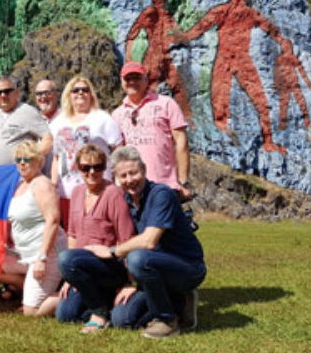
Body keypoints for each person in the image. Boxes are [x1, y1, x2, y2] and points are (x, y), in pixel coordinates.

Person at [87, 146, 206, 339]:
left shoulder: (161, 194)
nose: (129, 180)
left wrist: (113, 251)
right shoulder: (125, 199)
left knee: (138, 258)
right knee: (122, 319)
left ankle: (166, 320)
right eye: (123, 176)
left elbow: (149, 240)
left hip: (186, 267)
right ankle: (179, 301)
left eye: (133, 173)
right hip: (152, 268)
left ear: (143, 169)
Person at [180, 0, 287, 153]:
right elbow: (201, 27)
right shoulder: (221, 11)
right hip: (224, 57)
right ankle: (220, 124)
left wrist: (283, 42)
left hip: (243, 59)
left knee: (260, 98)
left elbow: (271, 29)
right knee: (219, 93)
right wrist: (183, 37)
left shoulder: (251, 14)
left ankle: (268, 139)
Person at [55, 144, 135, 332]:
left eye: (98, 167)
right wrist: (69, 276)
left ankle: (99, 312)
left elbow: (126, 238)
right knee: (66, 316)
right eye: (86, 168)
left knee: (65, 259)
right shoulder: (76, 193)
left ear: (104, 168)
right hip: (80, 266)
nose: (92, 172)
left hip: (108, 265)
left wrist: (129, 282)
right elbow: (72, 234)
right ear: (77, 168)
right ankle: (105, 302)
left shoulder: (113, 193)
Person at [0, 141, 67, 316]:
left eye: (27, 159)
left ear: (39, 162)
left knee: (31, 312)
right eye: (19, 159)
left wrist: (41, 258)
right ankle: (29, 288)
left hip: (46, 254)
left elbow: (53, 220)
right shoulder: (19, 186)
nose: (22, 163)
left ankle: (75, 294)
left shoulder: (42, 185)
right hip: (24, 254)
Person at [111, 61, 192, 201]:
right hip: (132, 187)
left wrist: (183, 181)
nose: (132, 82)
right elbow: (118, 154)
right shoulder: (116, 114)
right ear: (122, 82)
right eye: (127, 79)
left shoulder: (166, 104)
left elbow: (181, 142)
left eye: (136, 78)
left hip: (164, 185)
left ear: (146, 79)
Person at [50, 75, 122, 230]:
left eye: (85, 90)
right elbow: (56, 157)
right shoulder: (57, 122)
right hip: (66, 193)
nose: (80, 93)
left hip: (97, 189)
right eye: (76, 90)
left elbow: (118, 151)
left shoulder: (102, 118)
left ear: (91, 94)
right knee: (73, 235)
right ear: (69, 95)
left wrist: (119, 183)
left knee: (98, 232)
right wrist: (53, 186)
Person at [125, 0, 191, 118]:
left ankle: (185, 120)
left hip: (166, 56)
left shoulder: (168, 17)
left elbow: (180, 35)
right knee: (150, 85)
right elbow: (132, 33)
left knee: (177, 85)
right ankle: (140, 115)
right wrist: (128, 57)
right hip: (153, 56)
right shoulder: (149, 13)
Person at [0, 75, 52, 167]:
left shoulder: (28, 111)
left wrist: (31, 159)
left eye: (7, 91)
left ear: (16, 92)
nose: (3, 95)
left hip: (20, 175)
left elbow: (48, 139)